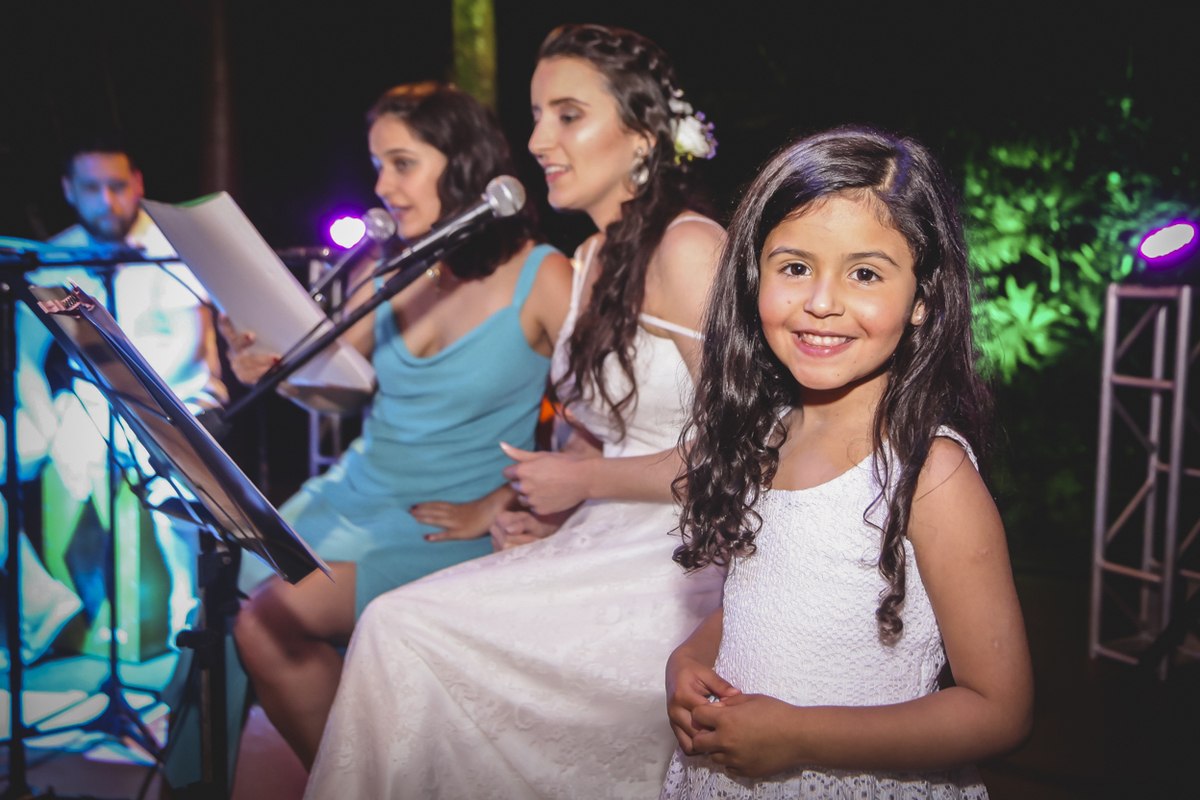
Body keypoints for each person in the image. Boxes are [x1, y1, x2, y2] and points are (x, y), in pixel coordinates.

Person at [304, 24, 725, 799]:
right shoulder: (590, 259)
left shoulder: (690, 250)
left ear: (642, 135)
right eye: (536, 116)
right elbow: (592, 430)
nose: (536, 141)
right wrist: (541, 513)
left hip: (682, 557)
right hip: (597, 532)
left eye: (568, 115)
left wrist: (583, 484)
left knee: (400, 630)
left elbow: (747, 454)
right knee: (394, 627)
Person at [659, 128, 1034, 799]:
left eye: (865, 273)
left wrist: (800, 736)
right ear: (754, 277)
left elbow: (999, 710)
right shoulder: (763, 438)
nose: (821, 301)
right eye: (794, 267)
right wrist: (689, 658)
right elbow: (767, 600)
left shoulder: (929, 474)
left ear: (922, 297)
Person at [224, 81, 574, 769]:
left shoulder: (544, 275)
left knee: (266, 621)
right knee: (224, 582)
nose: (382, 185)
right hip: (357, 489)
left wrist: (502, 499)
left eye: (402, 163)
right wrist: (264, 371)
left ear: (463, 163)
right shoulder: (390, 266)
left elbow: (598, 420)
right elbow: (331, 393)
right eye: (377, 165)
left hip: (442, 521)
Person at [11, 134, 226, 665]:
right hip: (87, 407)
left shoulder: (169, 248)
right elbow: (27, 359)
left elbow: (184, 353)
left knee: (173, 483)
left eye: (117, 186)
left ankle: (187, 615)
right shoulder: (53, 258)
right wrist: (41, 419)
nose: (107, 201)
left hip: (177, 400)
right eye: (92, 188)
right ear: (69, 190)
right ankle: (41, 609)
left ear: (137, 185)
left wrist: (106, 405)